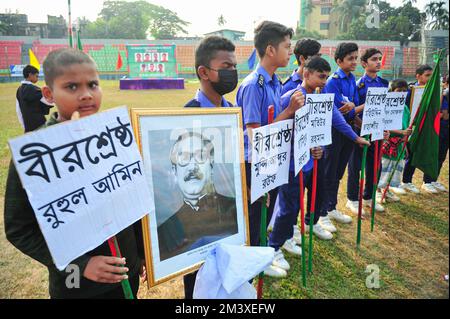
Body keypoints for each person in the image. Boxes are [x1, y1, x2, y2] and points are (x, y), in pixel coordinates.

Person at [4, 48, 145, 299]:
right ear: (48, 94)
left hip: (127, 275)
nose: (86, 95)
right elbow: (19, 229)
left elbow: (135, 204)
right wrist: (81, 265)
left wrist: (141, 254)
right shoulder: (34, 155)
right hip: (77, 287)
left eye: (93, 84)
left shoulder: (116, 140)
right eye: (71, 87)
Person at [236, 21, 304, 278]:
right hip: (255, 164)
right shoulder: (255, 85)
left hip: (272, 159)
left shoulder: (275, 82)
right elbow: (255, 136)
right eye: (287, 47)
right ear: (270, 50)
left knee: (265, 215)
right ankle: (251, 273)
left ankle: (261, 260)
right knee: (254, 220)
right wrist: (289, 112)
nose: (290, 52)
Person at [182, 35, 238, 298]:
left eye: (234, 67)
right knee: (199, 282)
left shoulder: (232, 111)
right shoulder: (186, 115)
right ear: (203, 72)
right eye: (225, 67)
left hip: (229, 212)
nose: (232, 73)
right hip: (199, 221)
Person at [157, 132, 238, 260]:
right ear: (174, 170)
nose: (192, 166)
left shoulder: (235, 210)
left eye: (200, 156)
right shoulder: (164, 229)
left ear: (211, 165)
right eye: (184, 159)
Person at [323, 42, 370, 223]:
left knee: (339, 172)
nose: (354, 62)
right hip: (335, 131)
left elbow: (352, 108)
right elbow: (338, 112)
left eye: (356, 58)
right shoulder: (333, 81)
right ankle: (324, 211)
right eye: (350, 59)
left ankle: (332, 207)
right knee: (330, 171)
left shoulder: (352, 79)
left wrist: (357, 117)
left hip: (350, 129)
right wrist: (356, 108)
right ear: (338, 60)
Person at [346, 48, 389, 216]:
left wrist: (384, 128)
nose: (378, 62)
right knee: (355, 166)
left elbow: (384, 110)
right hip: (359, 130)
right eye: (374, 59)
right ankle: (352, 199)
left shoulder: (384, 83)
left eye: (379, 59)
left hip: (376, 132)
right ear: (364, 63)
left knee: (375, 165)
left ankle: (369, 197)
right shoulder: (359, 85)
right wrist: (364, 126)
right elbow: (354, 112)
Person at [377, 79, 412, 202]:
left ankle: (386, 190)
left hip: (400, 144)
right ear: (392, 91)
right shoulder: (386, 106)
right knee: (383, 167)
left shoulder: (406, 108)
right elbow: (384, 125)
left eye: (404, 91)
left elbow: (405, 125)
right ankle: (377, 190)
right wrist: (400, 132)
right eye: (398, 91)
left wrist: (405, 143)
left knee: (393, 168)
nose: (402, 93)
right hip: (388, 142)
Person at [401, 64, 433, 193]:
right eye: (427, 75)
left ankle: (428, 181)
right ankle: (406, 181)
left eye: (431, 75)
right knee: (411, 154)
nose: (430, 78)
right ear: (418, 76)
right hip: (411, 128)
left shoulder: (432, 91)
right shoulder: (411, 91)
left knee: (423, 153)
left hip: (426, 127)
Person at [421, 75, 449, 192]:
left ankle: (433, 180)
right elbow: (443, 114)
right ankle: (427, 181)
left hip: (446, 129)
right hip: (440, 129)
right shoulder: (443, 95)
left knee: (442, 156)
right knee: (435, 155)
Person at [16, 65, 53, 132]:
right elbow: (48, 100)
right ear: (30, 75)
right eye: (36, 76)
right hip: (39, 124)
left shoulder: (19, 90)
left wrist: (24, 125)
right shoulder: (33, 89)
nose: (37, 78)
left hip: (27, 126)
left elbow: (18, 110)